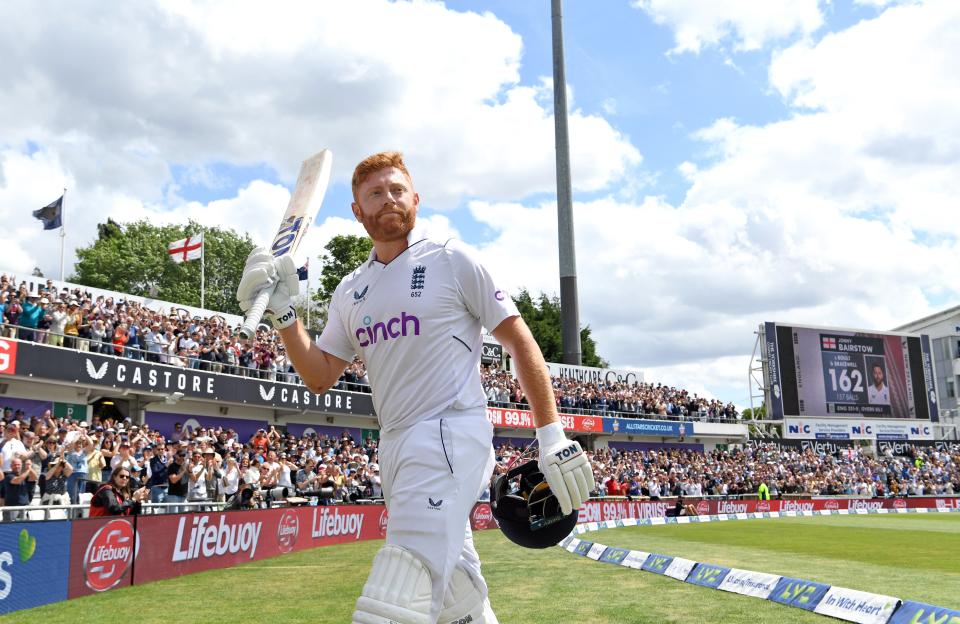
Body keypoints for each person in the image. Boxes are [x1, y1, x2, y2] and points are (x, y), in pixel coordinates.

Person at [237, 151, 594, 624]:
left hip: (451, 432)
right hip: (396, 445)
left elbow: (520, 340)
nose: (389, 200)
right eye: (375, 194)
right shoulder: (350, 290)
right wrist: (285, 317)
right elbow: (320, 375)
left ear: (416, 199)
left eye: (397, 190)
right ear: (357, 211)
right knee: (456, 600)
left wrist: (551, 433)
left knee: (396, 595)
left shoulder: (452, 258)